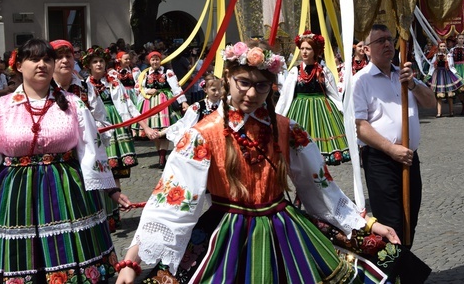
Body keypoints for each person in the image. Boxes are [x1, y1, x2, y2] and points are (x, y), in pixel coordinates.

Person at [116, 39, 428, 283]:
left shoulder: (286, 130)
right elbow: (172, 204)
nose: (252, 93)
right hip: (227, 235)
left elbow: (320, 190)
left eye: (261, 85)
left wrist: (368, 224)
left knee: (385, 258)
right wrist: (134, 260)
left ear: (272, 86)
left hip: (284, 229)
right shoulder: (202, 135)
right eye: (244, 82)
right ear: (228, 79)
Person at [0, 39, 131, 283]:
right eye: (34, 59)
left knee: (68, 256)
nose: (42, 65)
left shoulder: (73, 104)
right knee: (21, 259)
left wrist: (112, 190)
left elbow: (91, 151)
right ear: (18, 65)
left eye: (47, 59)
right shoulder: (2, 107)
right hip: (13, 197)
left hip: (67, 193)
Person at [354, 24, 436, 246]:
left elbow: (431, 102)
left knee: (410, 221)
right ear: (367, 49)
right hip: (381, 158)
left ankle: (403, 267)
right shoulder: (360, 81)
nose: (388, 44)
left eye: (390, 39)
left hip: (409, 157)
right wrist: (391, 149)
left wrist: (413, 86)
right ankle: (393, 276)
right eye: (380, 41)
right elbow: (359, 125)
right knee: (391, 223)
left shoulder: (404, 75)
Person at [84, 46, 141, 231]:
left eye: (101, 61)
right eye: (95, 62)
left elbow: (127, 103)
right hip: (98, 128)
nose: (99, 64)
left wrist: (143, 125)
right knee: (102, 170)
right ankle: (104, 214)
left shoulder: (114, 81)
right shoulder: (85, 85)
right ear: (88, 66)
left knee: (116, 172)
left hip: (115, 125)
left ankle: (115, 214)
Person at [276, 31, 350, 165]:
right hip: (299, 108)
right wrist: (278, 115)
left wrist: (343, 111)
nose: (304, 52)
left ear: (315, 51)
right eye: (302, 48)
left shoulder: (323, 70)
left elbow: (333, 92)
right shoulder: (295, 71)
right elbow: (285, 96)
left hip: (322, 109)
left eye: (308, 49)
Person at [137, 51, 188, 168]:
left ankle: (162, 156)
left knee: (165, 129)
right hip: (150, 103)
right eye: (152, 60)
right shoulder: (144, 74)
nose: (155, 62)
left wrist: (183, 101)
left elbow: (176, 87)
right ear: (149, 61)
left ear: (160, 61)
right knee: (154, 130)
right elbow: (139, 88)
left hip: (165, 102)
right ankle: (160, 153)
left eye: (157, 59)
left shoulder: (167, 72)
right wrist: (146, 91)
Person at [428, 40, 463, 118]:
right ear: (439, 47)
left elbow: (451, 65)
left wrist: (455, 73)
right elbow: (432, 65)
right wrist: (430, 74)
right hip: (438, 74)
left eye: (444, 46)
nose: (443, 47)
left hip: (447, 74)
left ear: (446, 47)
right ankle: (439, 112)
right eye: (441, 46)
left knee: (449, 95)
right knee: (439, 95)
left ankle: (451, 111)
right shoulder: (436, 55)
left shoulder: (449, 55)